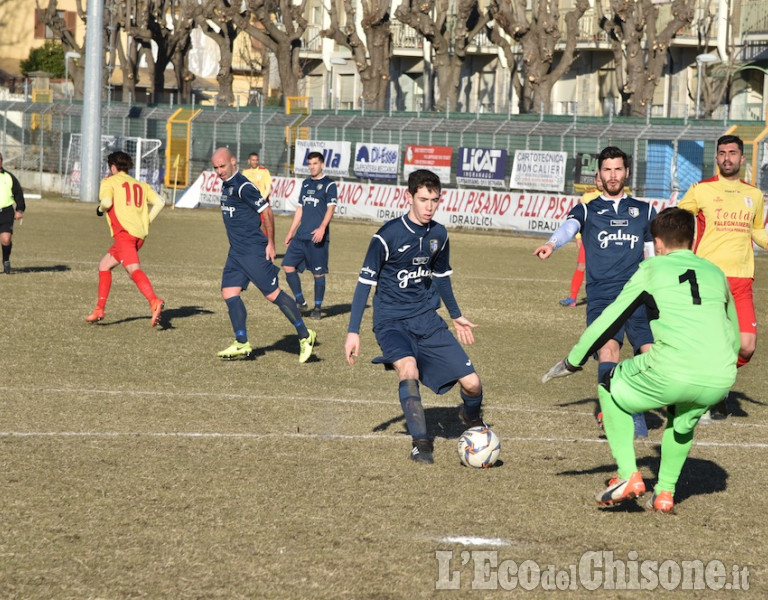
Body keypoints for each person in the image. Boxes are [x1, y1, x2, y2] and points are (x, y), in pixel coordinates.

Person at [542, 207, 739, 513]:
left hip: (673, 370)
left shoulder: (652, 269)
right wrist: (723, 388)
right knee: (682, 418)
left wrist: (573, 360)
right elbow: (733, 333)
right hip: (718, 376)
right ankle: (664, 494)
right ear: (693, 238)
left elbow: (610, 317)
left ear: (657, 243)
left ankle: (628, 476)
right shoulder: (715, 272)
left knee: (608, 384)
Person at [345, 169, 485, 464]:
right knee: (407, 369)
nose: (429, 207)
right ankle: (421, 444)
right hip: (391, 322)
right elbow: (364, 285)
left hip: (426, 319)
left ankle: (470, 417)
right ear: (409, 197)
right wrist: (353, 331)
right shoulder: (386, 237)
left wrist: (456, 315)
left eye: (435, 200)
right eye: (423, 199)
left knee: (473, 384)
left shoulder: (439, 235)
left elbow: (442, 276)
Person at [534, 146, 656, 438]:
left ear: (626, 172)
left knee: (650, 355)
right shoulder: (588, 208)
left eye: (618, 169)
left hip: (639, 295)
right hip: (602, 296)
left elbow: (652, 254)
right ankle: (624, 416)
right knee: (608, 350)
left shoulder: (646, 210)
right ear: (599, 175)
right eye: (607, 170)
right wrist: (552, 243)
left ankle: (632, 398)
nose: (613, 176)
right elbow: (570, 226)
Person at [677, 135, 767, 420]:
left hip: (742, 280)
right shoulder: (701, 190)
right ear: (716, 158)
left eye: (733, 153)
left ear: (743, 158)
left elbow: (756, 231)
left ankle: (719, 384)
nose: (727, 158)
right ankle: (703, 397)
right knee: (708, 341)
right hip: (708, 278)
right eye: (722, 153)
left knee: (747, 346)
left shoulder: (755, 195)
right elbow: (676, 219)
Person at [211, 147, 316, 363]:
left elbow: (266, 211)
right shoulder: (227, 185)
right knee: (229, 292)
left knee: (273, 295)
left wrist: (270, 243)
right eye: (216, 168)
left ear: (233, 162)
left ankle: (306, 336)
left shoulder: (243, 186)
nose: (219, 171)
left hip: (253, 250)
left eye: (222, 166)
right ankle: (242, 343)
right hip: (237, 252)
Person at [85, 151, 165, 327]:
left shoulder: (109, 182)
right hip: (138, 236)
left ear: (112, 167)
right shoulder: (140, 185)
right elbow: (160, 202)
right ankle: (99, 308)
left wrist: (99, 210)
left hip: (124, 235)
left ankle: (154, 301)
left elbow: (106, 203)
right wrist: (146, 222)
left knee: (133, 270)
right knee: (104, 265)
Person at [282, 151, 337, 320]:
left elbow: (331, 208)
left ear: (322, 164)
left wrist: (322, 228)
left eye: (315, 163)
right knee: (287, 266)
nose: (312, 167)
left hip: (316, 237)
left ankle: (318, 308)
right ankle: (300, 301)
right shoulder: (306, 184)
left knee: (318, 274)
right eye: (310, 164)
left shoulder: (329, 184)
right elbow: (300, 209)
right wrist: (291, 231)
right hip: (301, 236)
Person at [559, 177, 603, 307]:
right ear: (595, 181)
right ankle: (572, 299)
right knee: (581, 266)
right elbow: (580, 218)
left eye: (602, 180)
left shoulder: (613, 197)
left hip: (606, 240)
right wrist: (578, 237)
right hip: (589, 238)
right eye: (598, 180)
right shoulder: (588, 196)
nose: (600, 183)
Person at [0, 152, 26, 274]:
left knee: (6, 239)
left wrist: (20, 210)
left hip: (6, 212)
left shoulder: (9, 177)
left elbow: (18, 193)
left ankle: (6, 261)